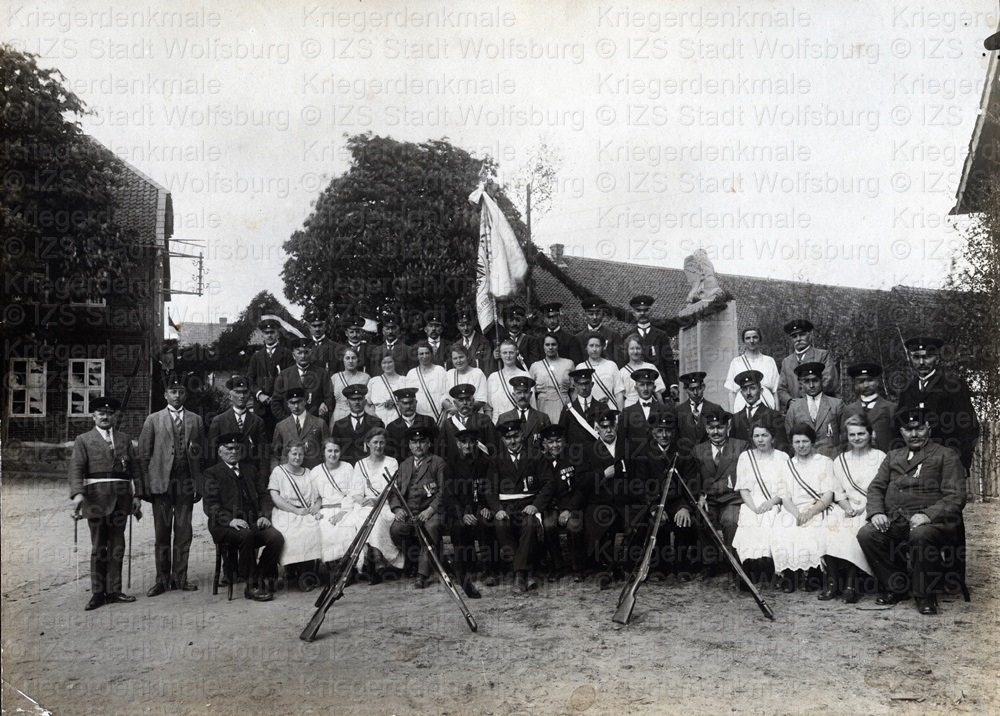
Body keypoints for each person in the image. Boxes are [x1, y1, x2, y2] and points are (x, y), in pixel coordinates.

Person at [857, 407, 967, 615]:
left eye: (919, 429)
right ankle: (897, 586)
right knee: (867, 534)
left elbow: (956, 496)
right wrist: (877, 512)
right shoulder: (892, 456)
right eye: (908, 430)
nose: (914, 435)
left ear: (929, 429)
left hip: (933, 523)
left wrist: (928, 515)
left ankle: (924, 596)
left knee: (920, 535)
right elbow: (876, 488)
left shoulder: (945, 455)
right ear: (901, 432)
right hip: (896, 519)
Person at [69, 396, 142, 610]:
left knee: (118, 545)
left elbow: (135, 469)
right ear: (93, 416)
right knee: (99, 546)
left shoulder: (124, 439)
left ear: (114, 417)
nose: (105, 417)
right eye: (101, 413)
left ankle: (115, 590)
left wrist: (138, 495)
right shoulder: (83, 440)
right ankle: (98, 593)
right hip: (96, 499)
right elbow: (76, 469)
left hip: (121, 498)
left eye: (109, 414)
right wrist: (78, 494)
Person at [138, 374, 205, 596]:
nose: (177, 396)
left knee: (184, 531)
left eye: (181, 392)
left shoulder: (195, 420)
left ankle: (180, 578)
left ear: (185, 394)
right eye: (173, 392)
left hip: (186, 480)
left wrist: (199, 483)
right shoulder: (153, 420)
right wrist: (145, 486)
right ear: (165, 394)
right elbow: (144, 455)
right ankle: (161, 580)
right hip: (162, 482)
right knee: (162, 532)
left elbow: (201, 455)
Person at [202, 432, 283, 602]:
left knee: (276, 538)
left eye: (237, 448)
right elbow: (211, 506)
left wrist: (264, 516)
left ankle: (259, 575)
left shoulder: (250, 470)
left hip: (252, 521)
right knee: (246, 535)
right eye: (229, 448)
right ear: (220, 451)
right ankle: (252, 586)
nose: (233, 452)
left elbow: (263, 496)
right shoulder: (212, 473)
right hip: (223, 525)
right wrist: (230, 521)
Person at [481, 419, 553, 592]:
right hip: (506, 507)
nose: (512, 441)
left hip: (529, 505)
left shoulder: (536, 456)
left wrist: (536, 506)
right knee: (501, 526)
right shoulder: (497, 460)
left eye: (515, 436)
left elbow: (549, 484)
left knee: (529, 525)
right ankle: (527, 572)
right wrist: (497, 510)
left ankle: (518, 574)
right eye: (507, 438)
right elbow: (490, 489)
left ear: (522, 435)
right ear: (503, 440)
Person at [630, 411, 701, 580]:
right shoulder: (643, 452)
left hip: (678, 501)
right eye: (659, 431)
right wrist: (654, 508)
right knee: (656, 523)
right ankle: (658, 567)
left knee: (683, 522)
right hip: (654, 501)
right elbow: (640, 484)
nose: (664, 435)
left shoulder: (684, 451)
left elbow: (692, 483)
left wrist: (685, 507)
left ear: (674, 432)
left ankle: (682, 566)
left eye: (668, 431)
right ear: (653, 432)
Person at [897, 336, 980, 471]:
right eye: (917, 357)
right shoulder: (907, 391)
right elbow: (899, 428)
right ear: (911, 359)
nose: (922, 362)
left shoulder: (953, 386)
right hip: (915, 465)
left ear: (937, 358)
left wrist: (960, 462)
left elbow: (969, 428)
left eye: (927, 356)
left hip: (946, 463)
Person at [823, 414, 881, 603]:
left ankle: (851, 583)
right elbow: (838, 492)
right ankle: (833, 582)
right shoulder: (840, 460)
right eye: (852, 434)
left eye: (861, 434)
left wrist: (864, 507)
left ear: (870, 434)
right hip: (848, 505)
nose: (857, 438)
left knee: (854, 530)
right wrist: (847, 507)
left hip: (872, 506)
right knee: (828, 525)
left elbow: (883, 489)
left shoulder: (880, 457)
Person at [771, 424, 834, 593]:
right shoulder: (787, 465)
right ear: (791, 444)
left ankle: (813, 574)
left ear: (813, 442)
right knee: (784, 526)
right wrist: (798, 514)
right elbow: (784, 496)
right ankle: (791, 574)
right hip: (793, 508)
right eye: (797, 441)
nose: (801, 445)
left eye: (805, 441)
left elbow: (828, 494)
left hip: (818, 507)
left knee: (814, 528)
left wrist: (811, 512)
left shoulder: (824, 462)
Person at [389, 426, 449, 589]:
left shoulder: (438, 462)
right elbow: (393, 492)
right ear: (409, 445)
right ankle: (415, 561)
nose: (418, 446)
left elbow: (444, 491)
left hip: (431, 511)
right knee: (396, 530)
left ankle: (422, 575)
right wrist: (397, 509)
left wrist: (430, 510)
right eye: (414, 443)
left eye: (422, 442)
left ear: (428, 443)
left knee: (430, 529)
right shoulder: (404, 465)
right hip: (409, 512)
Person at [731, 420, 788, 585]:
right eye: (756, 436)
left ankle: (769, 567)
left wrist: (772, 502)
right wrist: (754, 508)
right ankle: (749, 567)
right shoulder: (745, 457)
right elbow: (743, 488)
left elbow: (786, 488)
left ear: (772, 437)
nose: (760, 440)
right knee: (750, 520)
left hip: (776, 501)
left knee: (770, 519)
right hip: (752, 502)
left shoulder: (782, 457)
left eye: (764, 435)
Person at [692, 408, 748, 577]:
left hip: (732, 498)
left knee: (730, 520)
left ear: (727, 427)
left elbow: (746, 476)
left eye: (719, 427)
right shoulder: (698, 450)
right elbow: (695, 479)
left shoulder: (740, 446)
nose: (715, 432)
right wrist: (700, 497)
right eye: (711, 427)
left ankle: (734, 564)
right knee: (701, 517)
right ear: (706, 429)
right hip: (710, 499)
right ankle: (710, 563)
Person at [583, 408, 635, 586]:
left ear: (616, 426)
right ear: (596, 428)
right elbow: (581, 480)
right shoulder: (589, 450)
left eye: (611, 426)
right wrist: (603, 473)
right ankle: (608, 567)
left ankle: (626, 565)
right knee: (599, 523)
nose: (608, 430)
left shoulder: (628, 446)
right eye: (604, 427)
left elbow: (638, 475)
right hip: (600, 501)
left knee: (639, 523)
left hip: (625, 500)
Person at [347, 428, 402, 582]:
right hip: (365, 505)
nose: (378, 446)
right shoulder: (360, 464)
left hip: (385, 503)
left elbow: (391, 488)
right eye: (375, 442)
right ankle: (376, 562)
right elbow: (356, 490)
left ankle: (376, 560)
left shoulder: (391, 462)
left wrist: (377, 501)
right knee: (363, 517)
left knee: (376, 519)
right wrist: (360, 499)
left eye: (381, 442)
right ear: (367, 444)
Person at [268, 441, 324, 590]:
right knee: (290, 532)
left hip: (306, 511)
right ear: (287, 454)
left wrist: (316, 507)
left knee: (313, 529)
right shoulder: (279, 471)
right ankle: (292, 568)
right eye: (294, 454)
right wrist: (294, 510)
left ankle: (306, 573)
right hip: (285, 511)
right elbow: (275, 496)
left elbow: (319, 496)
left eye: (300, 454)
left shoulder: (308, 472)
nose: (297, 457)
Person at [538, 424, 590, 582]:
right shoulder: (540, 461)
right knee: (548, 525)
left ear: (564, 441)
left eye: (558, 441)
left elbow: (581, 488)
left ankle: (577, 568)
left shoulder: (574, 457)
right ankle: (558, 566)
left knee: (574, 527)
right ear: (544, 444)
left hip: (572, 505)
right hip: (551, 506)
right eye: (551, 442)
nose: (555, 445)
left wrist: (568, 509)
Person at [444, 428, 491, 598]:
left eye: (471, 442)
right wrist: (462, 513)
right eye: (464, 442)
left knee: (486, 523)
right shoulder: (451, 464)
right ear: (458, 444)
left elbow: (490, 488)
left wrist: (486, 506)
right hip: (460, 510)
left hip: (480, 507)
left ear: (476, 443)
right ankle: (462, 569)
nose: (468, 446)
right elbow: (449, 495)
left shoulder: (485, 462)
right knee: (458, 527)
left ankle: (489, 569)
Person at [309, 438, 358, 569]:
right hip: (325, 510)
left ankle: (348, 567)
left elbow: (352, 493)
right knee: (325, 529)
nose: (333, 454)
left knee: (348, 527)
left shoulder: (347, 467)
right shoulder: (316, 471)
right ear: (323, 452)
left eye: (336, 451)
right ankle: (333, 567)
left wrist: (342, 513)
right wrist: (316, 510)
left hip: (346, 508)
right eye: (329, 450)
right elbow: (315, 496)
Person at [208, 374, 267, 477]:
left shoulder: (258, 422)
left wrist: (262, 480)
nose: (241, 396)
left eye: (245, 392)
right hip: (225, 477)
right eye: (237, 392)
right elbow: (211, 455)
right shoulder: (219, 421)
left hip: (251, 477)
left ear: (249, 395)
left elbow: (263, 455)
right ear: (230, 396)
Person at [245, 317, 294, 440]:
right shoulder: (256, 357)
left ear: (277, 333)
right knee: (262, 441)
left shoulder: (287, 354)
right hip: (261, 407)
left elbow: (292, 378)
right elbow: (250, 380)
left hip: (282, 406)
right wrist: (259, 394)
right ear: (262, 335)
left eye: (272, 332)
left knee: (282, 438)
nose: (269, 335)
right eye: (266, 333)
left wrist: (279, 395)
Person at [784, 362, 845, 458]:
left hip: (831, 460)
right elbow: (789, 438)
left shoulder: (837, 405)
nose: (811, 385)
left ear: (822, 380)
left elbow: (845, 437)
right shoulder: (794, 408)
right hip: (804, 462)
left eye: (815, 380)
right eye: (807, 381)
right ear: (801, 383)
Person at [776, 319, 839, 411]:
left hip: (821, 408)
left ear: (810, 335)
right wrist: (789, 401)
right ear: (791, 340)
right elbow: (781, 389)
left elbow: (829, 382)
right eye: (794, 336)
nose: (798, 339)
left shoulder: (822, 355)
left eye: (802, 335)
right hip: (796, 411)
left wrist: (807, 401)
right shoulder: (786, 362)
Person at [271, 337, 334, 422]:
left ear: (311, 354)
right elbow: (275, 402)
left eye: (306, 352)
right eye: (299, 353)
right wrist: (287, 421)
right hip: (291, 424)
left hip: (315, 423)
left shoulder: (322, 374)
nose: (303, 356)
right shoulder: (284, 375)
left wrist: (324, 406)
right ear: (293, 355)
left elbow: (329, 398)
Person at [729, 370, 789, 454]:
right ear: (741, 393)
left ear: (761, 391)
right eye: (745, 389)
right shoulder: (736, 418)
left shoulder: (773, 415)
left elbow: (782, 445)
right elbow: (732, 446)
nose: (748, 393)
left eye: (752, 388)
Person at [628, 294, 678, 394]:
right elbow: (625, 362)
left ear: (651, 311)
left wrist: (673, 384)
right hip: (635, 387)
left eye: (646, 310)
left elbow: (668, 362)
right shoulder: (628, 336)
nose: (642, 313)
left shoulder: (661, 335)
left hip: (659, 386)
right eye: (638, 311)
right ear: (634, 313)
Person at [841, 362, 896, 453]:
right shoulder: (849, 410)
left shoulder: (890, 408)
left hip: (883, 459)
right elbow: (844, 441)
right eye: (861, 381)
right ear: (855, 384)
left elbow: (896, 440)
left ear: (877, 381)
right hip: (856, 460)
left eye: (870, 380)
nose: (866, 385)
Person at [270, 387, 329, 471]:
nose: (296, 406)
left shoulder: (319, 423)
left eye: (299, 402)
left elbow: (327, 451)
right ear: (287, 404)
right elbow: (275, 455)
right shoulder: (281, 426)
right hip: (289, 475)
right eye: (292, 403)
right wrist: (276, 473)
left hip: (313, 473)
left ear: (305, 401)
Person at [438, 384, 499, 463]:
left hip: (481, 469)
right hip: (456, 470)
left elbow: (493, 447)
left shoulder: (484, 420)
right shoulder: (447, 424)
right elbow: (442, 452)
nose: (464, 403)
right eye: (460, 400)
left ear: (473, 401)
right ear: (455, 403)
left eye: (467, 399)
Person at [723, 327, 779, 412]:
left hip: (767, 408)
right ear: (744, 341)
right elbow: (731, 392)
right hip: (742, 408)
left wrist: (777, 413)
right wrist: (732, 417)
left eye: (755, 337)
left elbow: (776, 390)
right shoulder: (736, 362)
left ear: (760, 339)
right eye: (748, 338)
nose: (751, 341)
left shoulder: (769, 361)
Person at [329, 384, 384, 465]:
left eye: (359, 399)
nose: (356, 402)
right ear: (347, 402)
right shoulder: (339, 425)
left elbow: (382, 449)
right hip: (347, 469)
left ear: (365, 401)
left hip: (371, 468)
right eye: (353, 399)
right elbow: (335, 450)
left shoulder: (376, 423)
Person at [618, 368, 668, 451]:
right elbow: (621, 442)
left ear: (654, 387)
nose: (645, 389)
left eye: (649, 384)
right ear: (636, 388)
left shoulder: (665, 410)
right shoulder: (627, 412)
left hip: (658, 460)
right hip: (635, 460)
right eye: (642, 385)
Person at [497, 376, 551, 452]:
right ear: (513, 395)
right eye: (519, 392)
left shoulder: (542, 417)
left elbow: (548, 444)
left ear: (531, 394)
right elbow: (499, 445)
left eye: (525, 392)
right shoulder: (503, 418)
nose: (522, 396)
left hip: (536, 461)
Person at [529, 333, 575, 424]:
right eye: (547, 345)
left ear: (558, 346)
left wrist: (576, 409)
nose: (550, 348)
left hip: (564, 404)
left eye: (553, 344)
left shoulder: (568, 364)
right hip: (542, 405)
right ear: (543, 346)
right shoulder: (535, 366)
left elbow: (574, 391)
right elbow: (531, 393)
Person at [676, 372, 724, 455]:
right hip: (687, 460)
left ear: (703, 387)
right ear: (685, 389)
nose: (695, 393)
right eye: (691, 389)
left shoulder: (715, 409)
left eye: (698, 388)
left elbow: (722, 436)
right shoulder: (678, 411)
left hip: (709, 458)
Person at [558, 368, 605, 452]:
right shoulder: (568, 410)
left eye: (587, 383)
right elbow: (562, 437)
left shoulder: (603, 408)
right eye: (580, 384)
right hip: (576, 457)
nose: (584, 388)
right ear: (574, 386)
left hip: (598, 456)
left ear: (592, 384)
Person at [385, 387, 437, 461]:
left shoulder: (428, 421)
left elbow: (437, 446)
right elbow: (390, 454)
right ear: (398, 404)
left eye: (411, 402)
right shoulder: (391, 427)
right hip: (403, 468)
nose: (408, 406)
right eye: (404, 403)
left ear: (416, 402)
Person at [487, 339, 533, 421]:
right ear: (500, 354)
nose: (508, 356)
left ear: (516, 353)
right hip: (497, 422)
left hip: (519, 421)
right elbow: (488, 408)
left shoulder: (525, 375)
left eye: (511, 352)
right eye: (504, 353)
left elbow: (532, 404)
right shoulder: (493, 377)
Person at [619, 333, 667, 408]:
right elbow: (620, 397)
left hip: (650, 407)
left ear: (642, 349)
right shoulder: (622, 372)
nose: (635, 352)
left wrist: (663, 412)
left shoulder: (650, 367)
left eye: (638, 348)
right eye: (632, 348)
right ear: (627, 350)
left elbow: (658, 393)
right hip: (630, 409)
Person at [577, 332, 623, 411]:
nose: (594, 349)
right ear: (586, 347)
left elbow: (619, 393)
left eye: (597, 346)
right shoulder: (580, 367)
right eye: (591, 346)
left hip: (610, 409)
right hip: (589, 411)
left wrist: (621, 414)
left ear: (602, 347)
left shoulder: (611, 365)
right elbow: (578, 395)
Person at [407, 341, 449, 422]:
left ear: (431, 354)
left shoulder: (440, 370)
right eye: (421, 354)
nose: (425, 356)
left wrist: (444, 416)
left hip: (439, 417)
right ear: (417, 356)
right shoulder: (411, 374)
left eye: (427, 353)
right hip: (419, 417)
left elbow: (446, 394)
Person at [575, 297, 622, 367]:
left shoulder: (613, 336)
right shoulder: (578, 338)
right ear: (585, 315)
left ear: (603, 315)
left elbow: (619, 362)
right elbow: (577, 362)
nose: (594, 317)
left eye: (598, 314)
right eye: (591, 314)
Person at [443, 344, 489, 414]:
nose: (458, 361)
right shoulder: (449, 374)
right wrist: (450, 407)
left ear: (467, 357)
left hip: (474, 416)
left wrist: (459, 409)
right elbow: (444, 397)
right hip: (454, 417)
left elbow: (481, 401)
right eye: (455, 358)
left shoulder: (477, 373)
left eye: (461, 357)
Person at [450, 305, 496, 375]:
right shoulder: (455, 345)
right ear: (457, 326)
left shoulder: (484, 342)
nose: (465, 328)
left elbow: (489, 369)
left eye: (468, 324)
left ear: (474, 323)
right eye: (462, 325)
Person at [329, 347, 371, 423]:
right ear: (343, 360)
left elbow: (369, 401)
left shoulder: (365, 377)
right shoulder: (335, 378)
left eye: (353, 358)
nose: (350, 361)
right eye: (347, 358)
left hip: (359, 415)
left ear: (358, 360)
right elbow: (327, 398)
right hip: (339, 415)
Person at [367, 354, 410, 428]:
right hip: (379, 420)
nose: (387, 365)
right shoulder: (374, 381)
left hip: (399, 419)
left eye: (390, 362)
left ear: (395, 363)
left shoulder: (404, 380)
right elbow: (367, 404)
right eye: (384, 363)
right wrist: (373, 416)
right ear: (380, 364)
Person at [503, 304, 541, 370]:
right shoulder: (501, 340)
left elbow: (535, 364)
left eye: (518, 320)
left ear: (523, 321)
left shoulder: (530, 340)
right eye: (511, 320)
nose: (514, 323)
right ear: (505, 322)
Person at [305, 307, 337, 374]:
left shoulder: (334, 347)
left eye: (320, 326)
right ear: (309, 328)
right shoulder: (305, 347)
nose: (317, 329)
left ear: (325, 326)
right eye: (314, 326)